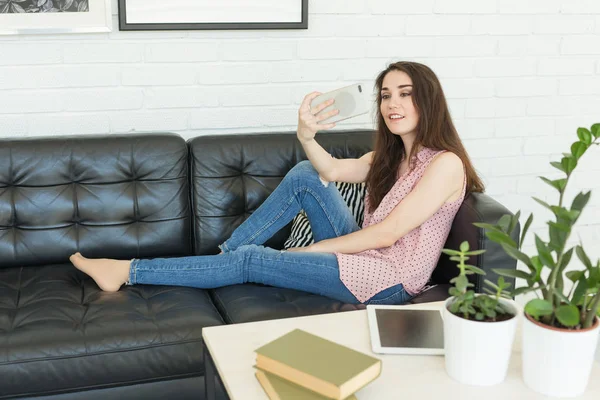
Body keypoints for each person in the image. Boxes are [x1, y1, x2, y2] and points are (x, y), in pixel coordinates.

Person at [70, 61, 484, 305]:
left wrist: (318, 249)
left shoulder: (445, 165)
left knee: (253, 260)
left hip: (390, 281)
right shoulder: (389, 156)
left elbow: (389, 232)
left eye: (405, 94)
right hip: (368, 256)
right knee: (307, 175)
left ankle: (127, 270)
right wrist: (306, 135)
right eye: (386, 95)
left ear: (427, 101)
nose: (392, 104)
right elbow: (332, 172)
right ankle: (222, 259)